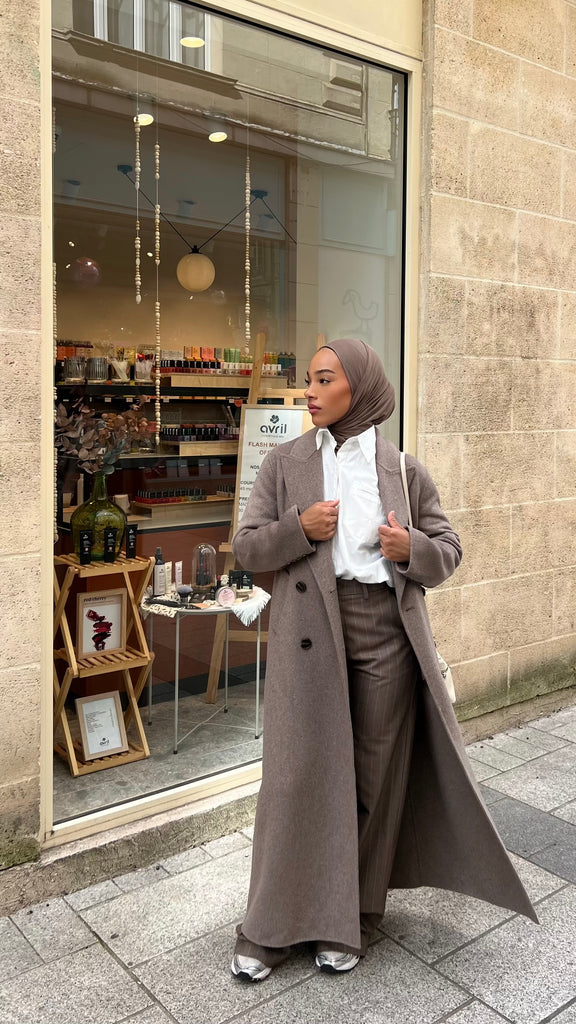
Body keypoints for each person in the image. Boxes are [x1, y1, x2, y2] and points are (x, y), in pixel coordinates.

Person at [230, 338, 536, 982]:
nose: (309, 391)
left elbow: (448, 550)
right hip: (309, 629)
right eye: (309, 380)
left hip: (385, 633)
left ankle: (354, 917)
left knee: (374, 779)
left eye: (323, 380)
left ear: (360, 388)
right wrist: (298, 529)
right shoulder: (286, 463)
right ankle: (270, 926)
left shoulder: (402, 468)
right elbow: (248, 549)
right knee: (293, 781)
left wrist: (409, 547)